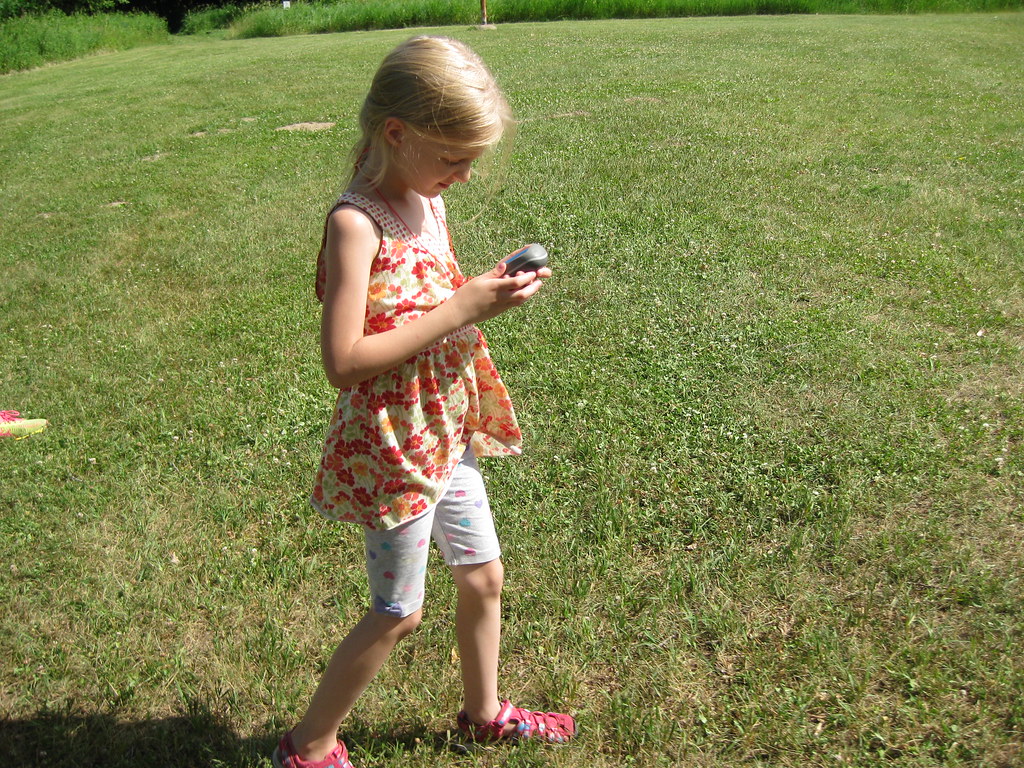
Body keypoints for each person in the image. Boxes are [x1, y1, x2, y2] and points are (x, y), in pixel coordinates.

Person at [272, 36, 576, 768]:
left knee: (483, 576)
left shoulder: (424, 198)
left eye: (472, 161)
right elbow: (343, 362)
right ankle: (307, 746)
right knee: (398, 612)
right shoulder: (356, 223)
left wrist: (483, 292)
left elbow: (428, 298)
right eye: (453, 159)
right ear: (396, 135)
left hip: (447, 431)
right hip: (394, 447)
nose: (464, 177)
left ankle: (483, 714)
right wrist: (464, 308)